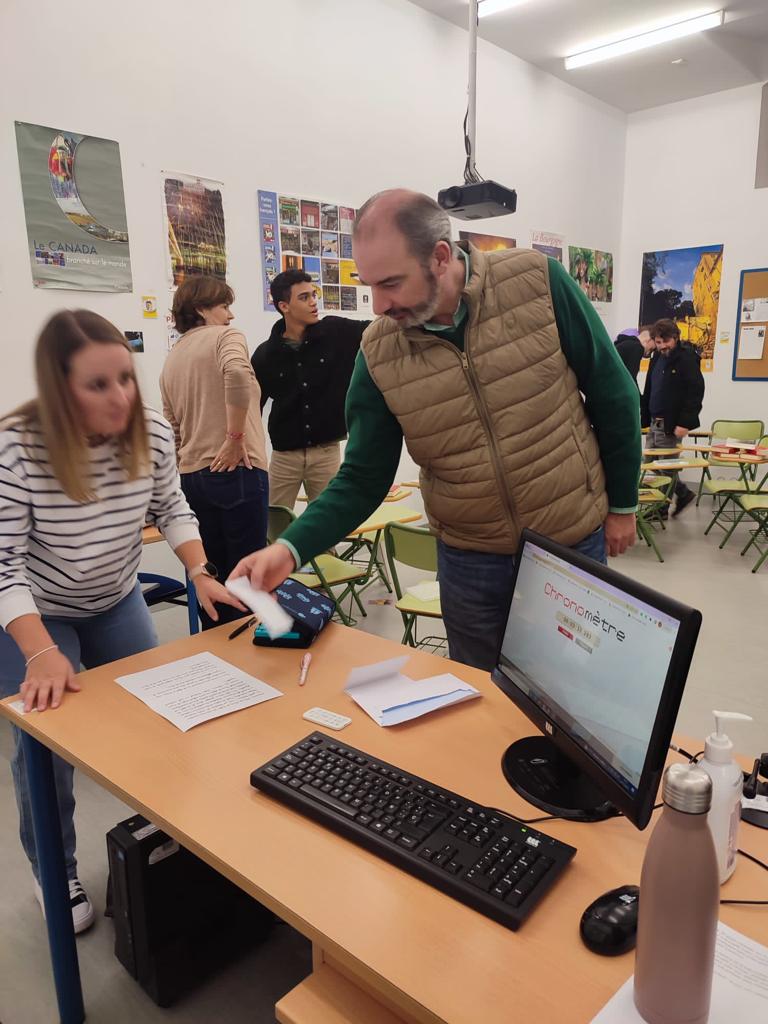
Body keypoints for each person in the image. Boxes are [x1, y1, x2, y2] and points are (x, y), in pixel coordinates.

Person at [231, 190, 641, 670]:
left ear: (441, 257)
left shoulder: (537, 281)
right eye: (369, 286)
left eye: (391, 284)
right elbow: (363, 476)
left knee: (577, 687)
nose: (379, 305)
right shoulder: (379, 352)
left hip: (569, 543)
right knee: (482, 697)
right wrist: (290, 548)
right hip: (471, 561)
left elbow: (614, 393)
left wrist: (622, 506)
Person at [0, 310, 244, 932]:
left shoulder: (153, 433)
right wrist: (37, 653)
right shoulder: (17, 450)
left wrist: (200, 570)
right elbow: (2, 569)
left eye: (125, 379)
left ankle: (178, 837)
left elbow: (172, 507)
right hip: (38, 611)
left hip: (115, 597)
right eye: (97, 385)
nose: (120, 398)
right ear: (59, 390)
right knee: (45, 749)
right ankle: (54, 868)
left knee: (162, 714)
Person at [160, 276, 269, 629]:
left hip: (192, 478)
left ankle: (220, 671)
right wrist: (235, 437)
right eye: (224, 306)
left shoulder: (173, 358)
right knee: (246, 582)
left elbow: (172, 426)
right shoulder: (226, 338)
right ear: (201, 309)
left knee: (211, 583)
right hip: (237, 469)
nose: (231, 315)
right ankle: (250, 673)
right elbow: (237, 373)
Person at [251, 269, 369, 508]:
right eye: (304, 297)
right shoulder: (266, 354)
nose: (314, 302)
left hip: (326, 452)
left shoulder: (335, 332)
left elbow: (377, 332)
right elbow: (253, 408)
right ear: (284, 306)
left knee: (328, 524)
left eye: (314, 295)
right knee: (273, 522)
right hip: (284, 455)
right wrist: (253, 454)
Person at [641, 318, 705, 517]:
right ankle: (683, 493)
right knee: (651, 461)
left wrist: (685, 422)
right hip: (654, 421)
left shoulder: (686, 359)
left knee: (667, 468)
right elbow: (649, 388)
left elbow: (696, 392)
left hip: (671, 424)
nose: (662, 346)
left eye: (666, 341)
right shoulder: (656, 358)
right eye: (658, 342)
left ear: (675, 337)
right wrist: (644, 419)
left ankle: (661, 508)